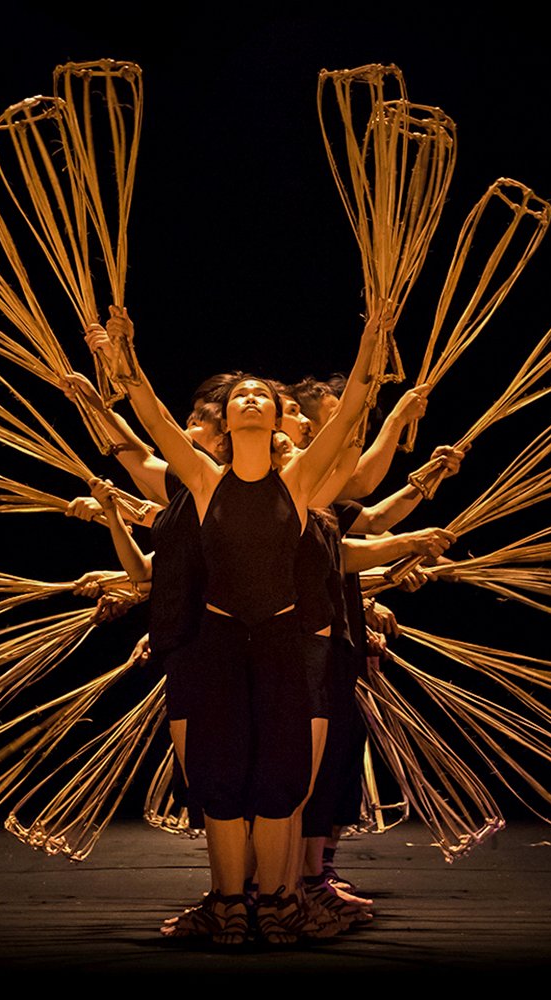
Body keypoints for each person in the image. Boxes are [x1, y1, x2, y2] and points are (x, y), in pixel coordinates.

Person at [87, 303, 382, 945]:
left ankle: (278, 901)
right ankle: (226, 903)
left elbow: (353, 408)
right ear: (227, 417)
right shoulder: (201, 479)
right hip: (218, 641)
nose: (250, 400)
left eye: (260, 396)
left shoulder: (300, 481)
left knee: (281, 776)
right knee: (219, 779)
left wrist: (370, 343)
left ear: (276, 418)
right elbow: (155, 422)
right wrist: (125, 361)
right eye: (240, 396)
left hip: (280, 640)